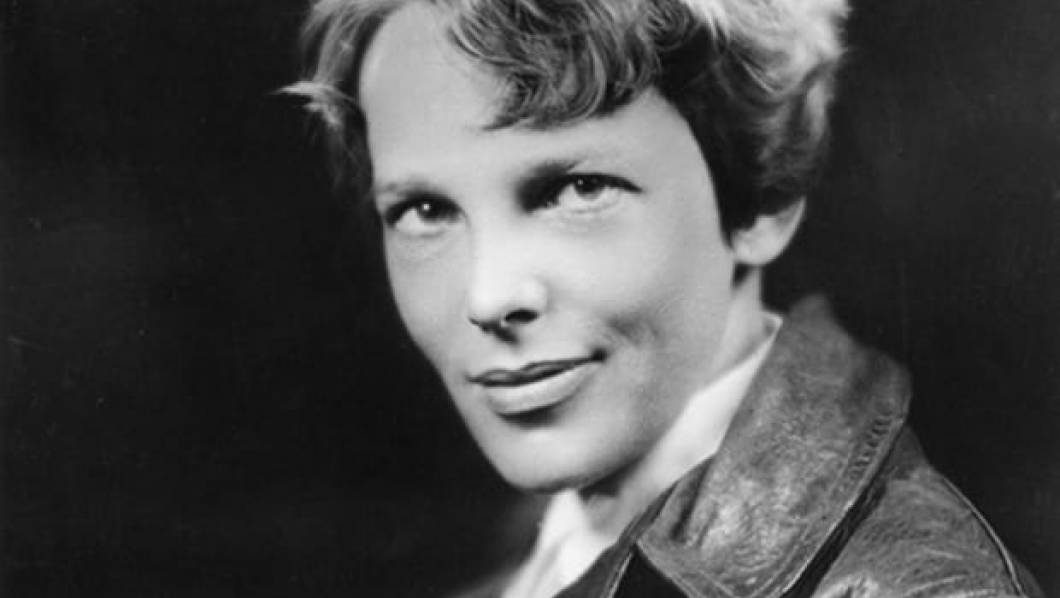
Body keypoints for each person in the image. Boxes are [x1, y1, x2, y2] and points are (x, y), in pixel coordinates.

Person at [287, 0, 1042, 595]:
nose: (487, 296)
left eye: (577, 189)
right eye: (424, 210)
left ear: (762, 196)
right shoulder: (545, 540)